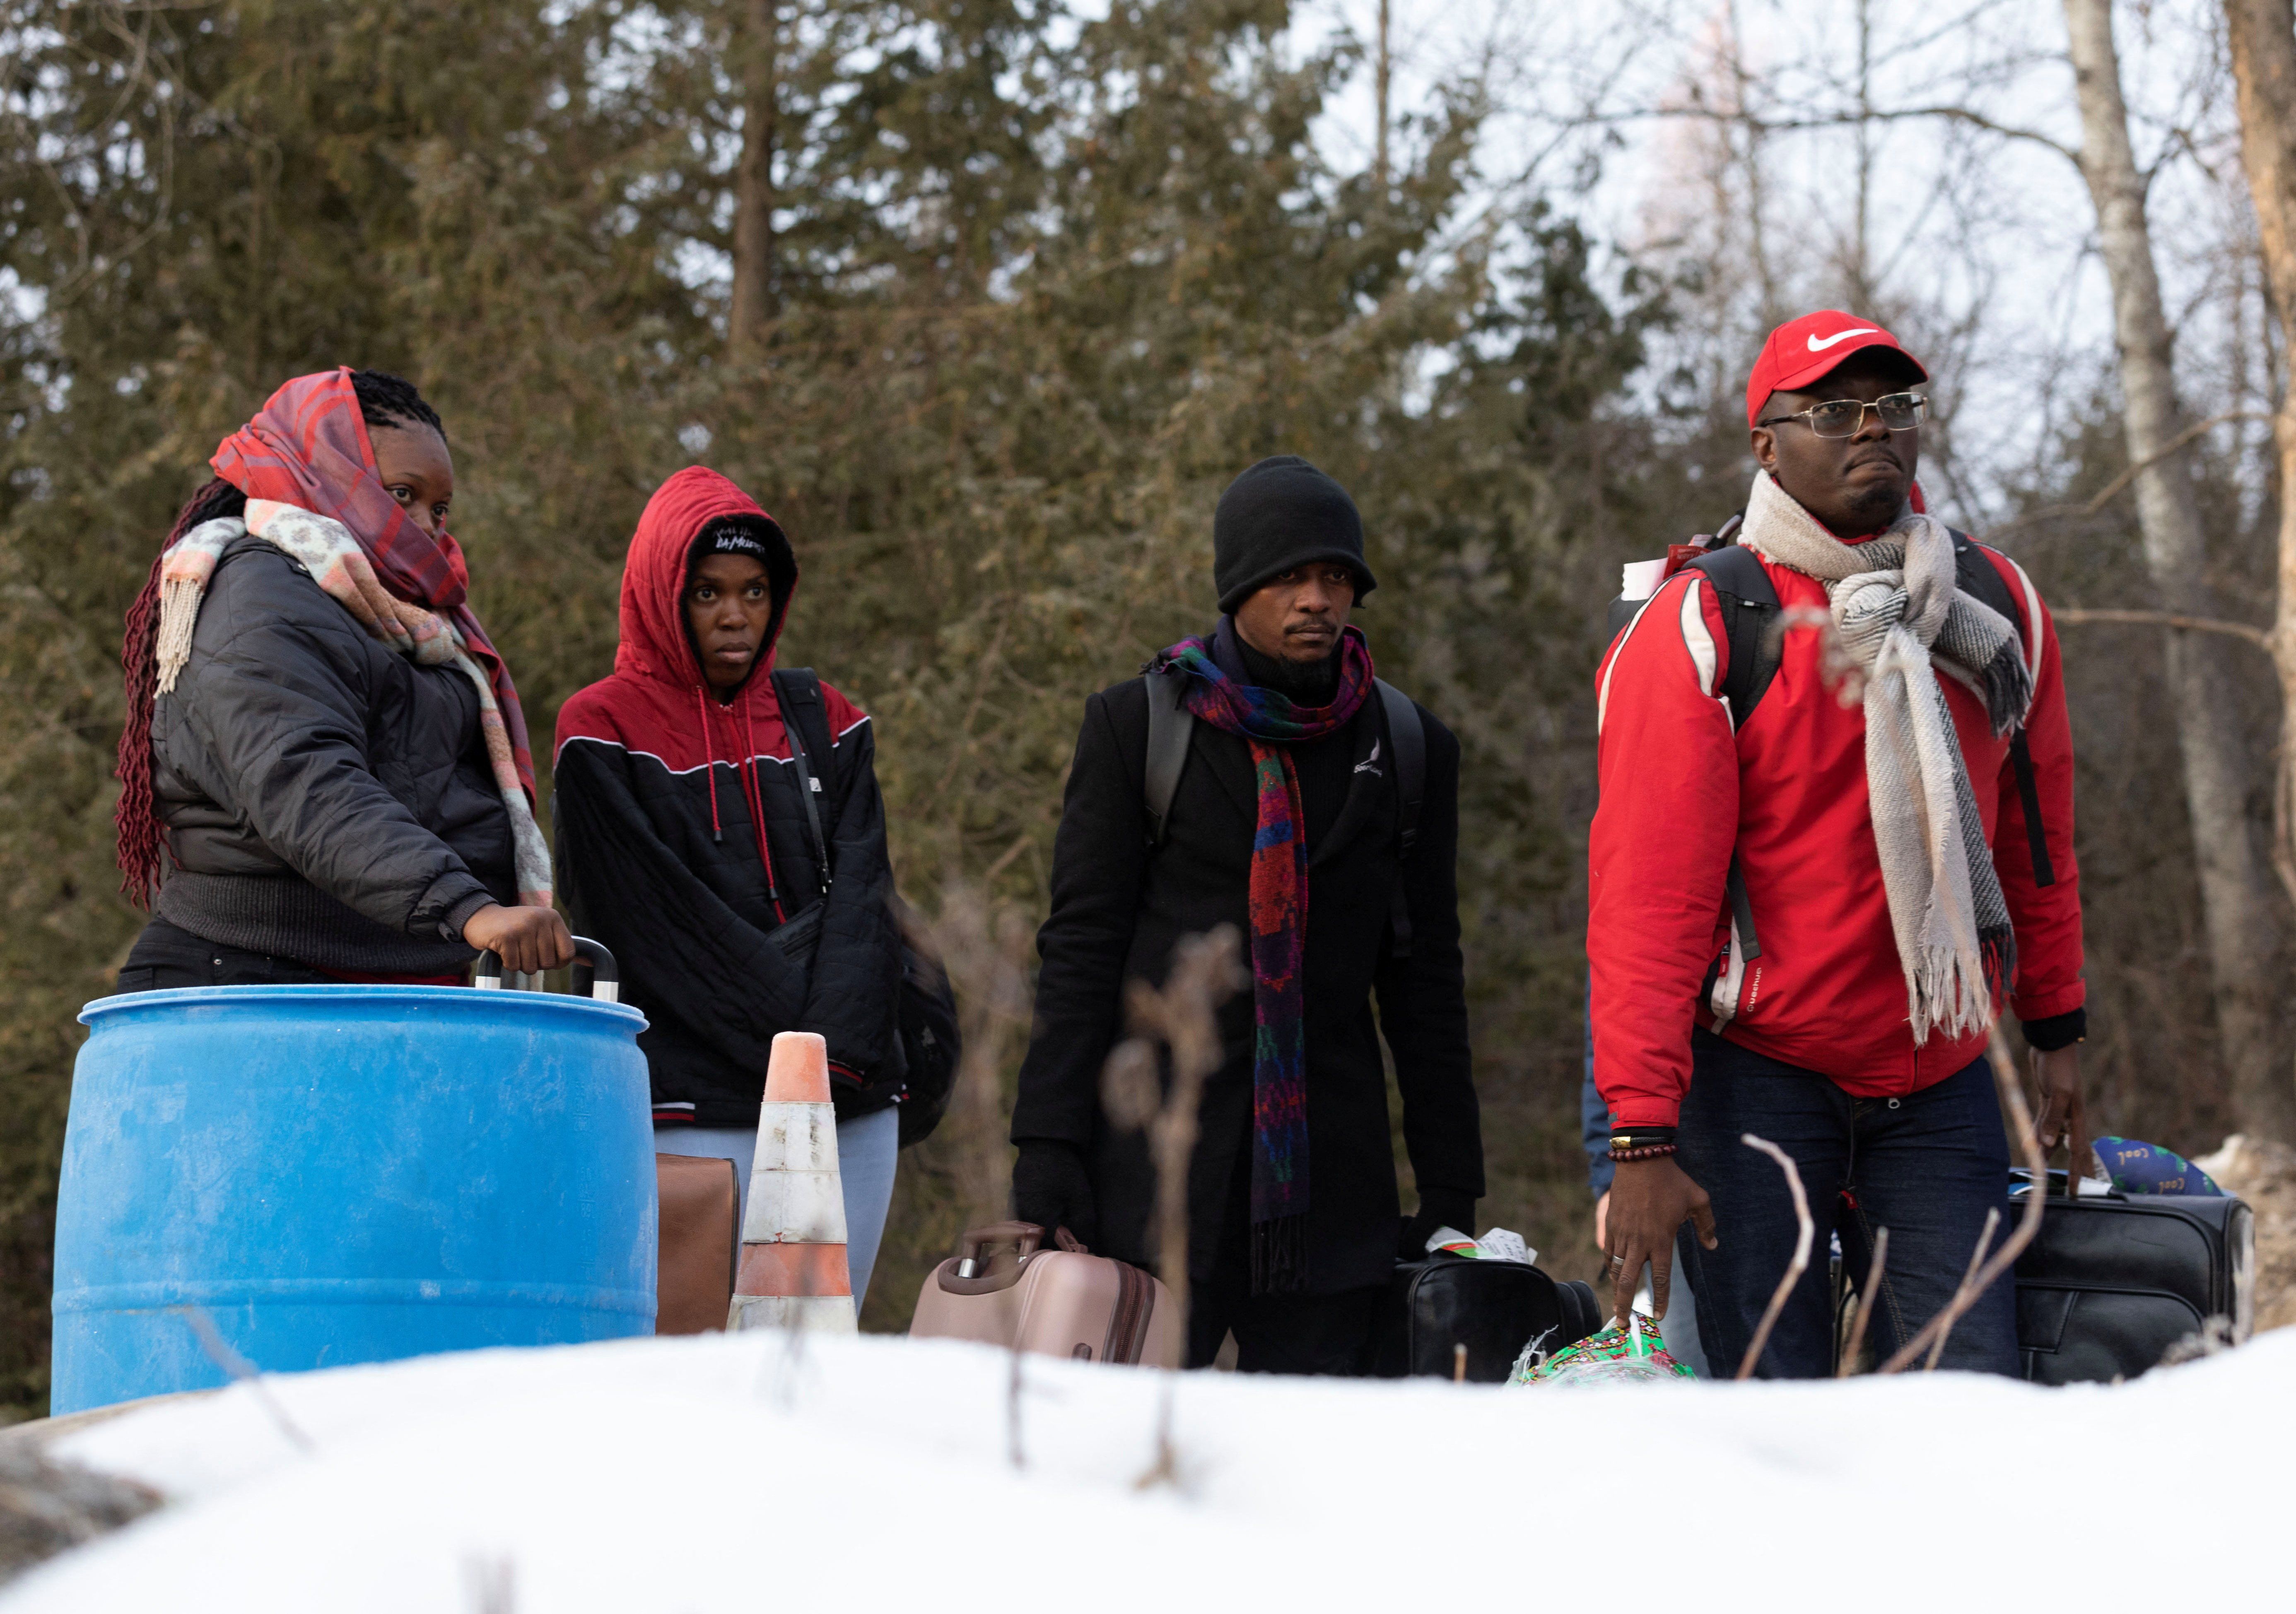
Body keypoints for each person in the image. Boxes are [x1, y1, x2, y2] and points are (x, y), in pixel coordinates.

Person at [1589, 311, 2086, 1378]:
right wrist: (1641, 1134)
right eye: (1832, 410)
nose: (1872, 429)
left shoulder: (1994, 612)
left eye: (1893, 406)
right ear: (1766, 443)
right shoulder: (1710, 619)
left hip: (1940, 1069)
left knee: (1972, 1404)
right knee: (1776, 1414)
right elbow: (1648, 896)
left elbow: (2037, 841)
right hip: (1758, 1073)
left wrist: (2058, 1026)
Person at [1011, 455, 1483, 1374]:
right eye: (1290, 577)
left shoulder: (1412, 745)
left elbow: (1426, 981)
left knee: (1318, 1473)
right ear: (1239, 588)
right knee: (1126, 1457)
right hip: (1153, 1181)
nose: (1318, 599)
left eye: (1337, 577)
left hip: (1334, 1194)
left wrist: (1451, 1180)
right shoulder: (1137, 727)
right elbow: (1080, 947)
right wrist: (1047, 1146)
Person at [552, 467, 905, 1308]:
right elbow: (654, 929)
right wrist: (808, 1055)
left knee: (825, 1353)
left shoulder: (826, 714)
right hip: (698, 1100)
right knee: (707, 1367)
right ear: (662, 592)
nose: (736, 613)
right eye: (707, 591)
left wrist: (832, 1060)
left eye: (754, 589)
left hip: (850, 1102)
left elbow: (866, 901)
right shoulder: (599, 729)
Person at [113, 367, 570, 990]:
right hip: (258, 983)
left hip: (391, 978)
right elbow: (305, 780)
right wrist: (470, 909)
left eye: (440, 507)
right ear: (324, 473)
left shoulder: (410, 619)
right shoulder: (258, 592)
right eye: (403, 494)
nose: (431, 527)